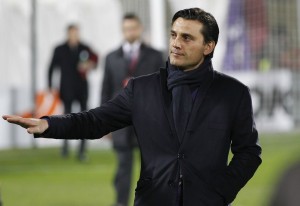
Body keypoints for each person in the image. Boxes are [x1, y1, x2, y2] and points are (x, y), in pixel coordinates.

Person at [3, 8, 262, 206]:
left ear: (209, 46)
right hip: (153, 200)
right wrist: (48, 124)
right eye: (173, 35)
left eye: (186, 38)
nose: (176, 43)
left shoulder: (234, 93)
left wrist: (222, 192)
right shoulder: (142, 89)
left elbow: (249, 152)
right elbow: (96, 121)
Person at [102, 13, 164, 206]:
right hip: (121, 123)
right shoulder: (111, 58)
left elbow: (164, 89)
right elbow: (106, 91)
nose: (130, 32)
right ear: (123, 30)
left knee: (152, 169)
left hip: (149, 123)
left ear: (140, 28)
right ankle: (120, 203)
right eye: (126, 28)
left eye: (133, 28)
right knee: (123, 169)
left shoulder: (155, 56)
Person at [48, 24, 98, 161]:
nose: (75, 36)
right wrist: (50, 87)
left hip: (82, 89)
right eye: (72, 33)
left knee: (83, 119)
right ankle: (65, 147)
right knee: (66, 118)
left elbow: (96, 59)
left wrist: (90, 65)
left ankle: (82, 150)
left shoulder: (85, 48)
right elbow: (51, 68)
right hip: (66, 89)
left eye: (77, 33)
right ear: (68, 34)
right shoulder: (60, 49)